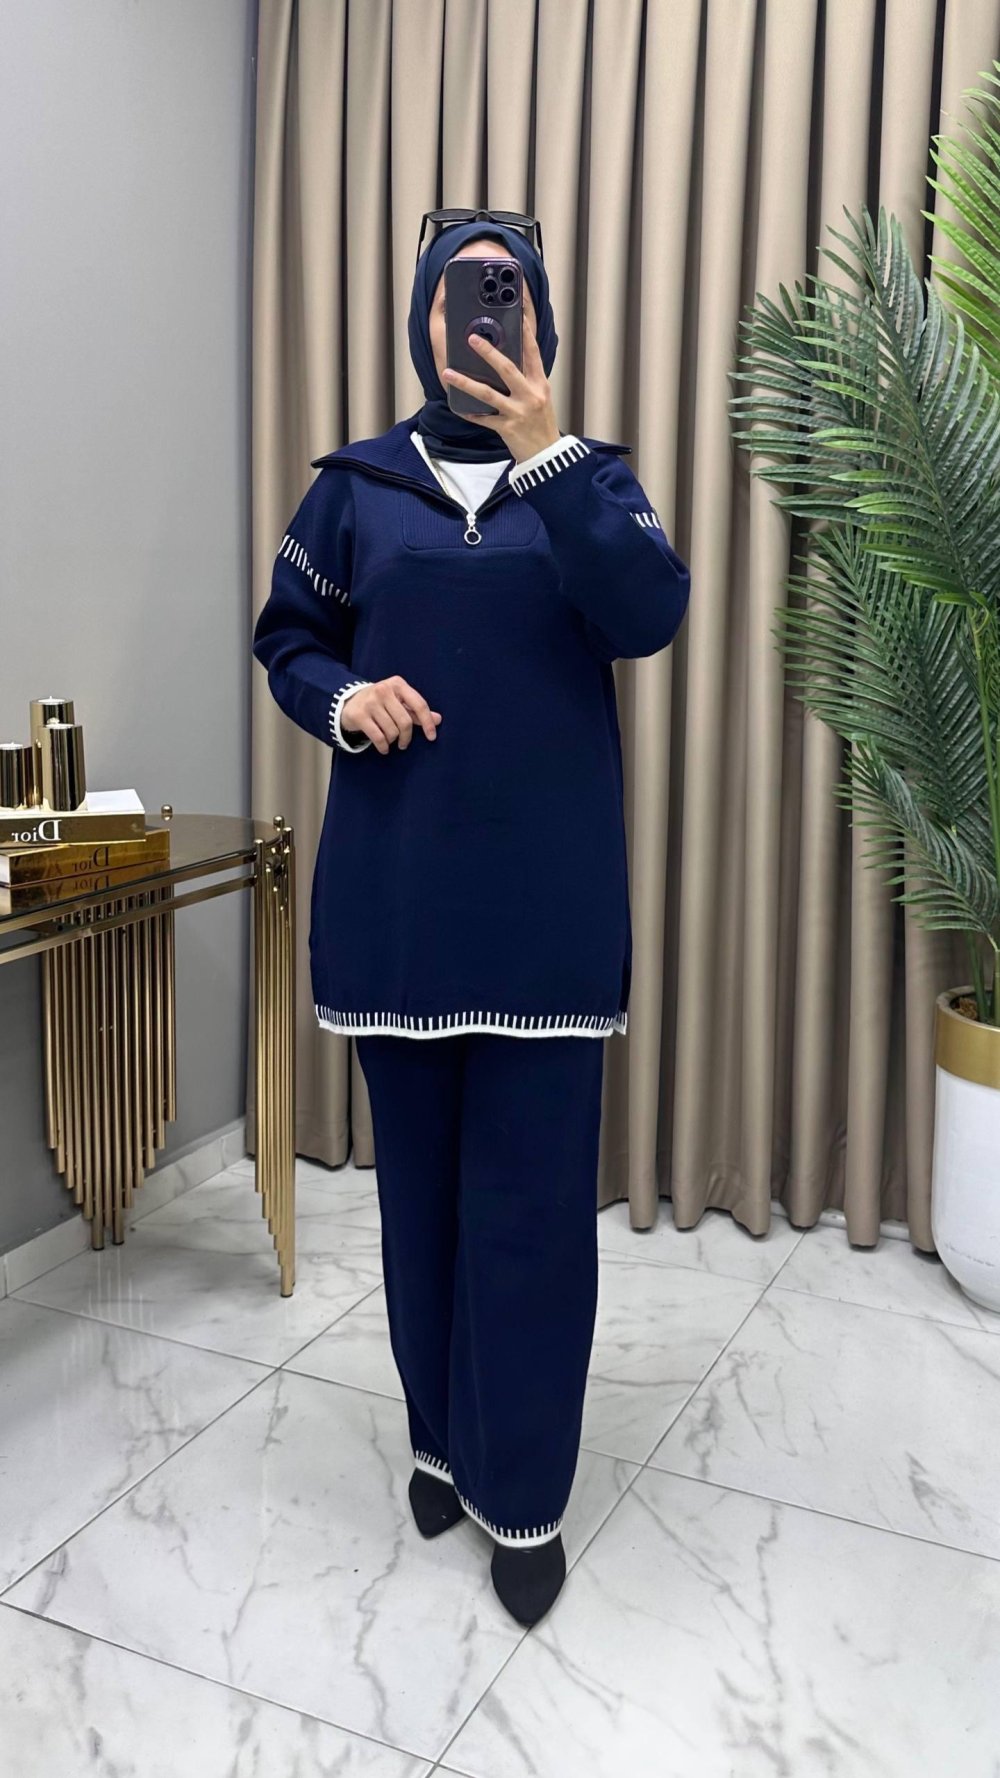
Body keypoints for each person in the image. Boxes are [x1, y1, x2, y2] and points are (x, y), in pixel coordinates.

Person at [252, 213, 690, 1627]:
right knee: (422, 1205)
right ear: (423, 325)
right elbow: (288, 636)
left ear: (541, 322)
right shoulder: (356, 489)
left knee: (533, 1216)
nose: (485, 319)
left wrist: (551, 451)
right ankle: (441, 1441)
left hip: (547, 917)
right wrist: (344, 697)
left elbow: (649, 612)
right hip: (400, 907)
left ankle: (527, 1493)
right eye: (461, 297)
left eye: (510, 296)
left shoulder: (592, 482)